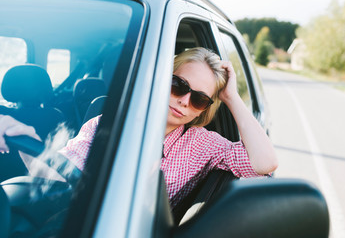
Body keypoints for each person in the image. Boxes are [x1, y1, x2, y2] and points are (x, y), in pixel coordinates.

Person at [0, 47, 277, 210]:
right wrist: (27, 140)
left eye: (200, 99)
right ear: (160, 78)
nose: (183, 100)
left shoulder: (203, 144)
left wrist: (231, 97)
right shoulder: (106, 125)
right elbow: (57, 175)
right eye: (178, 85)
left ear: (206, 108)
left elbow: (265, 163)